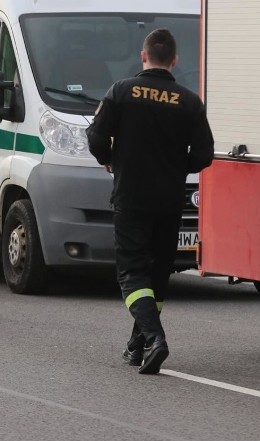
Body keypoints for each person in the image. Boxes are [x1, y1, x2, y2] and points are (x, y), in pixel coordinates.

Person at [85, 28, 214, 375]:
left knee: (131, 273)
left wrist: (110, 158)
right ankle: (137, 344)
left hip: (131, 197)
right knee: (156, 275)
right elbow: (204, 155)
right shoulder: (189, 101)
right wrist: (176, 168)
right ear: (174, 60)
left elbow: (95, 137)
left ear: (143, 56)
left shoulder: (121, 92)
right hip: (170, 202)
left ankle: (155, 339)